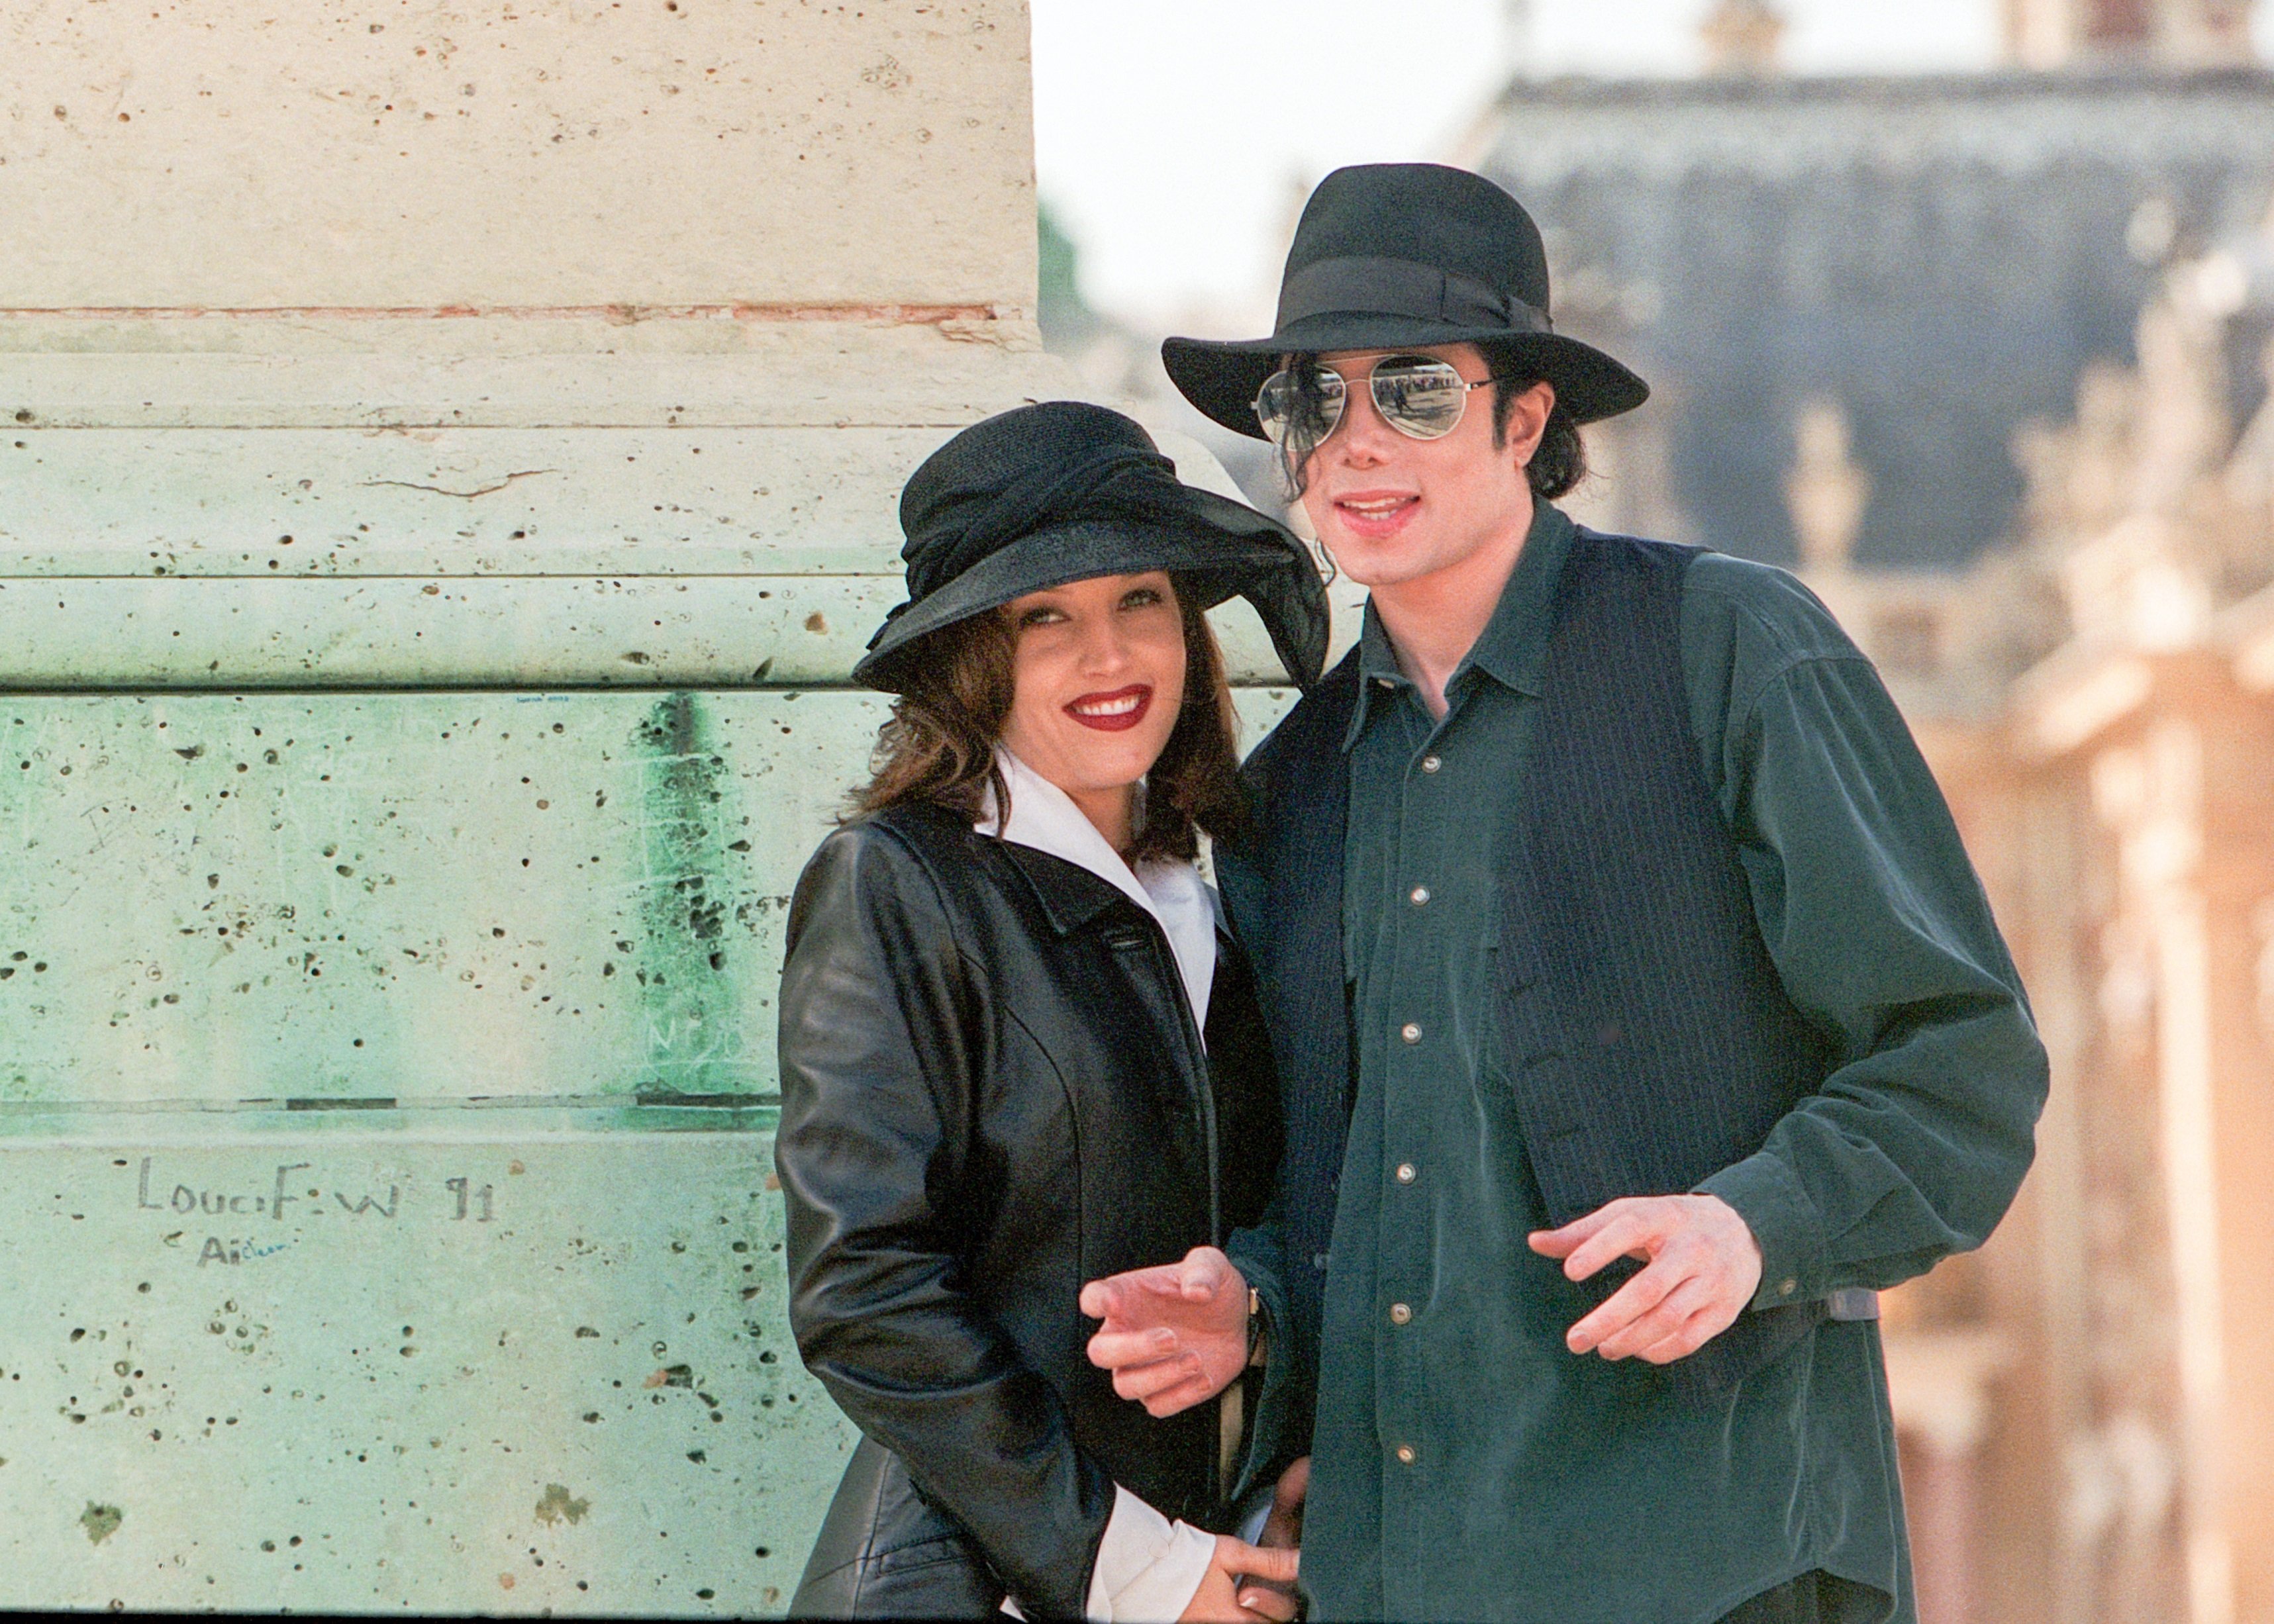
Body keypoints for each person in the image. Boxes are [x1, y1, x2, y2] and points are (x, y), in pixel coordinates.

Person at [1081, 164, 2052, 1623]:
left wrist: (1752, 1225)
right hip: (1396, 1577)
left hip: (1712, 1564)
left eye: (1410, 391)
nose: (1354, 445)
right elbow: (1341, 1190)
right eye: (1310, 403)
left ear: (1525, 421)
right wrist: (1255, 1306)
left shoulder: (1728, 648)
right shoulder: (1289, 791)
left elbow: (1962, 1067)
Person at [775, 401, 1331, 1620]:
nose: (1111, 656)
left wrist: (1271, 1379)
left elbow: (1306, 1204)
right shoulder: (897, 882)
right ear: (972, 653)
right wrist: (1137, 1569)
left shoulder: (1235, 883)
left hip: (1242, 1567)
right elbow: (863, 1289)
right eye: (1047, 617)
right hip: (995, 1585)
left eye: (1140, 599)